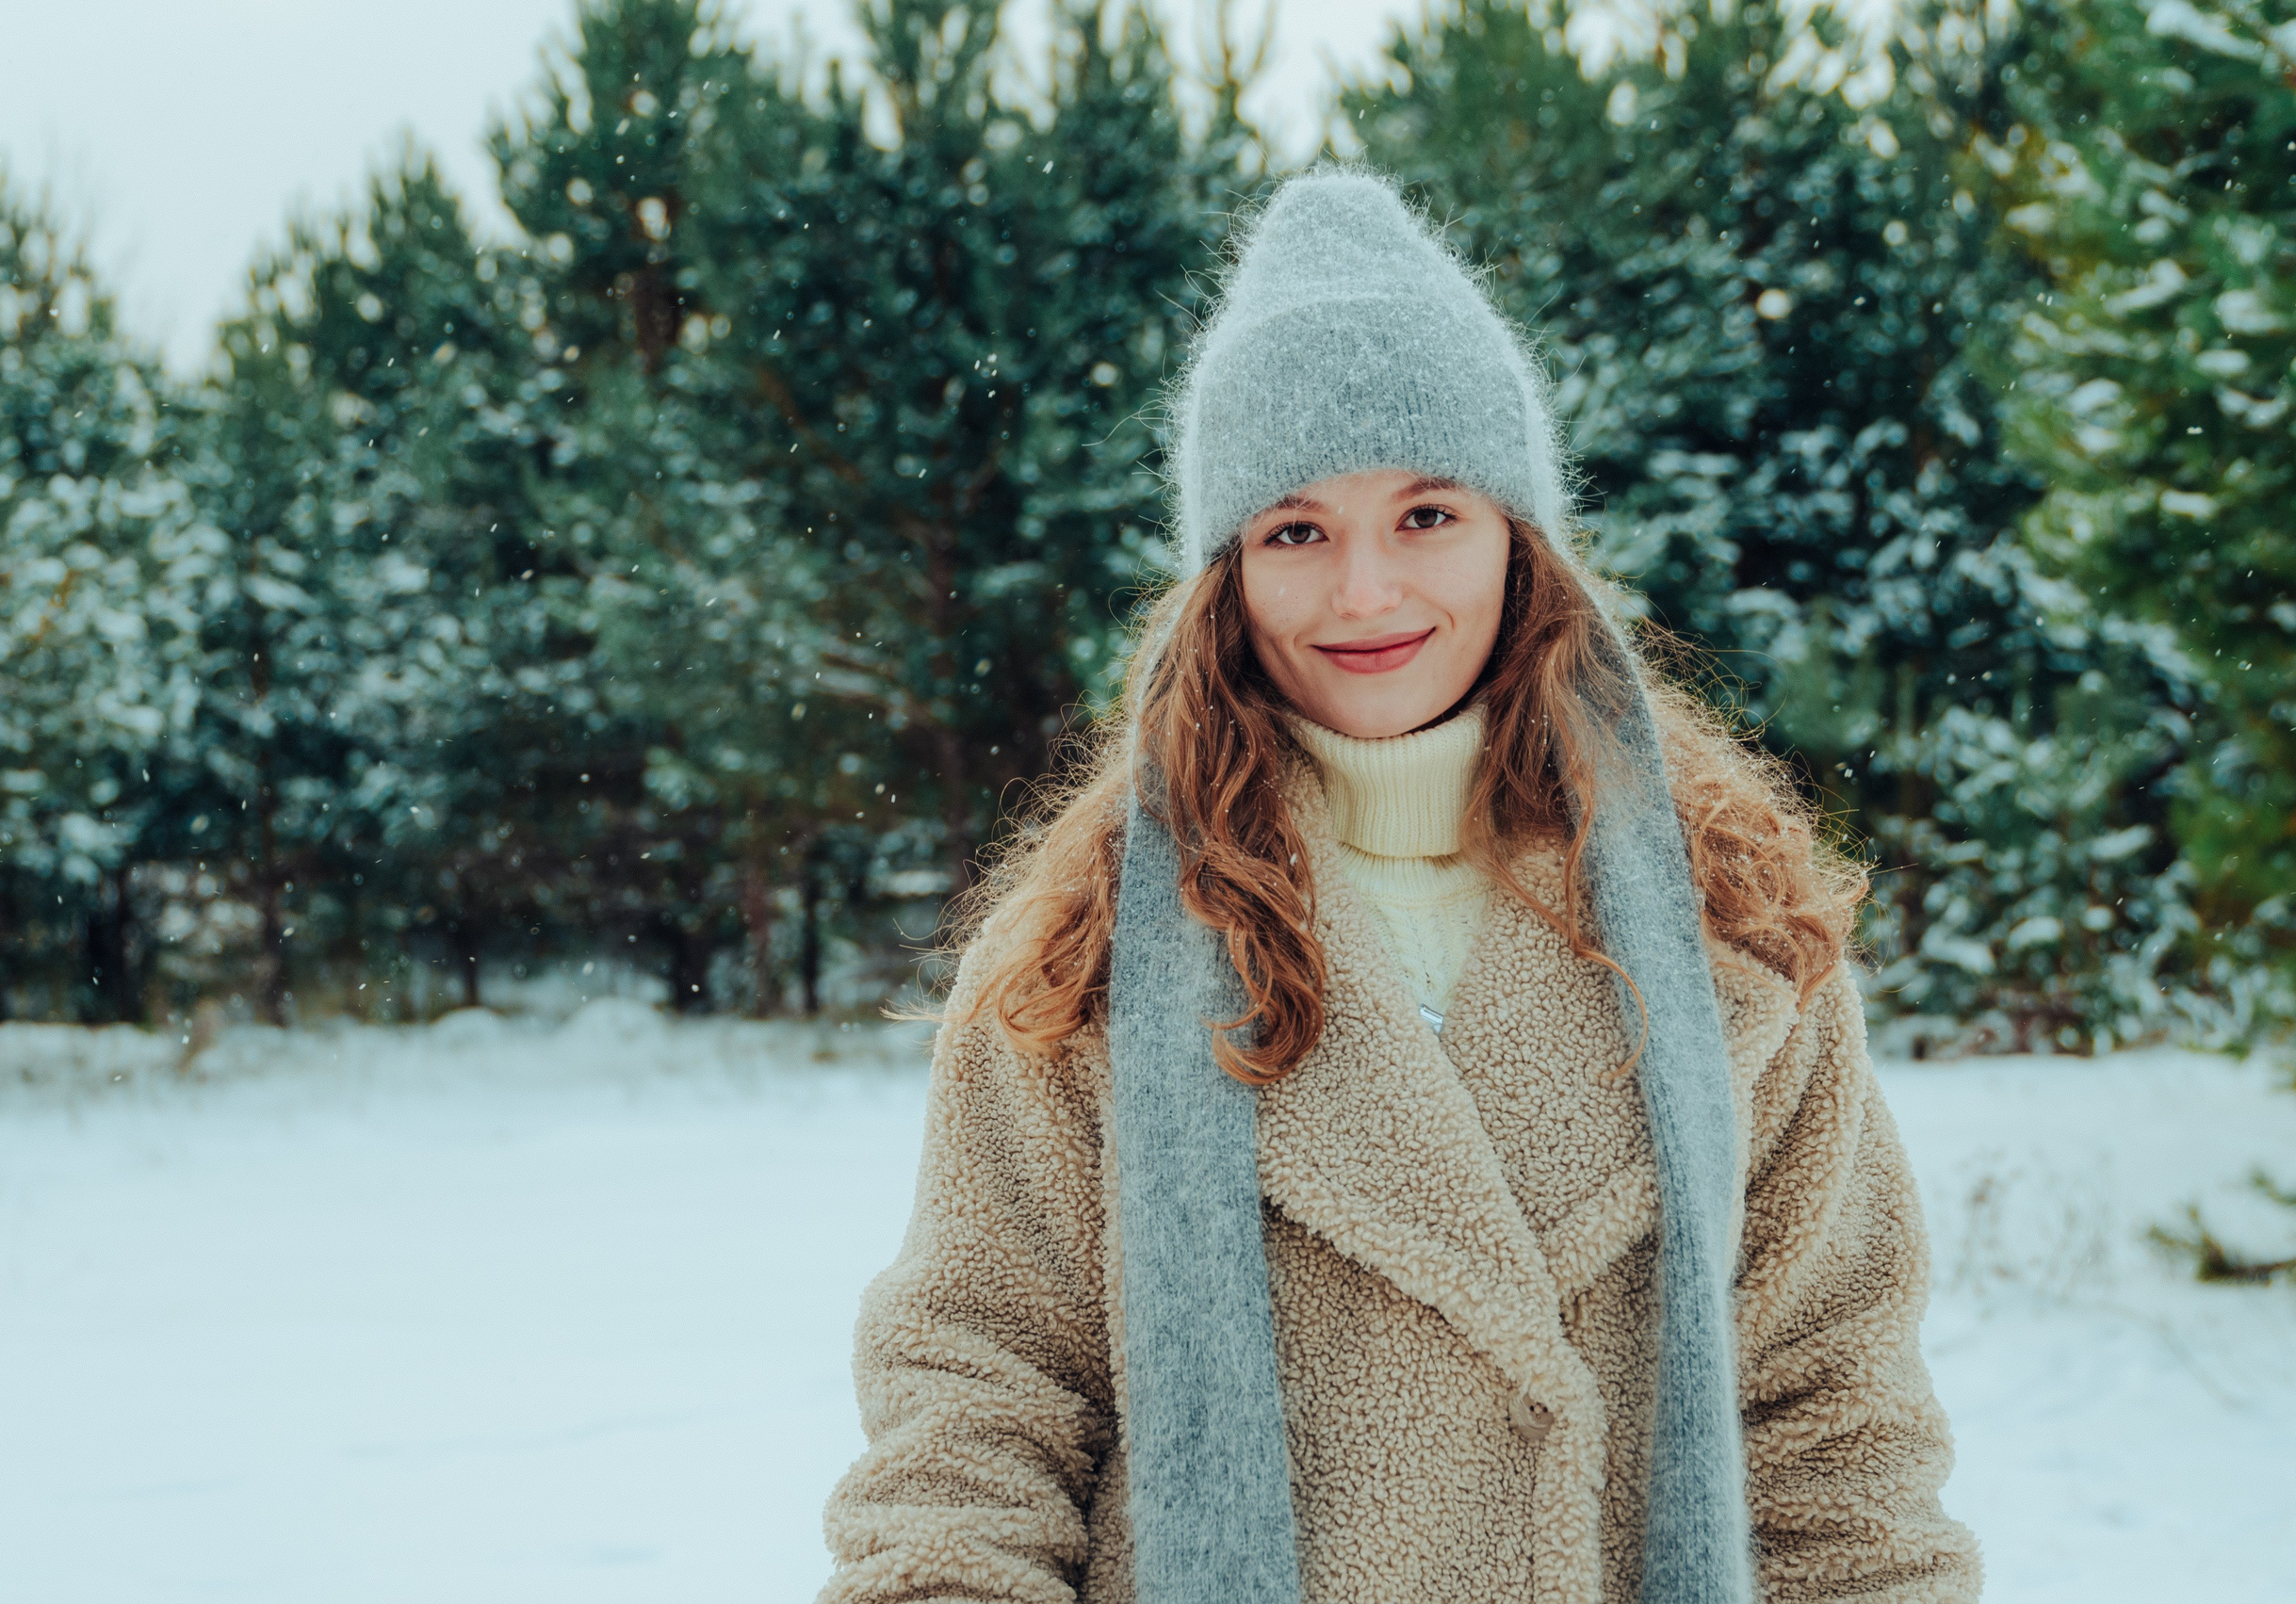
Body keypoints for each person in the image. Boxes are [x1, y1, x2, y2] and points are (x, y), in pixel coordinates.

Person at [817, 169, 1978, 1604]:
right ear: (1227, 577)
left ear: (1518, 538)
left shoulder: (1735, 926)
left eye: (1427, 513)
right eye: (1296, 530)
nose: (1365, 593)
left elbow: (1837, 1426)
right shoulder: (1090, 948)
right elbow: (978, 1406)